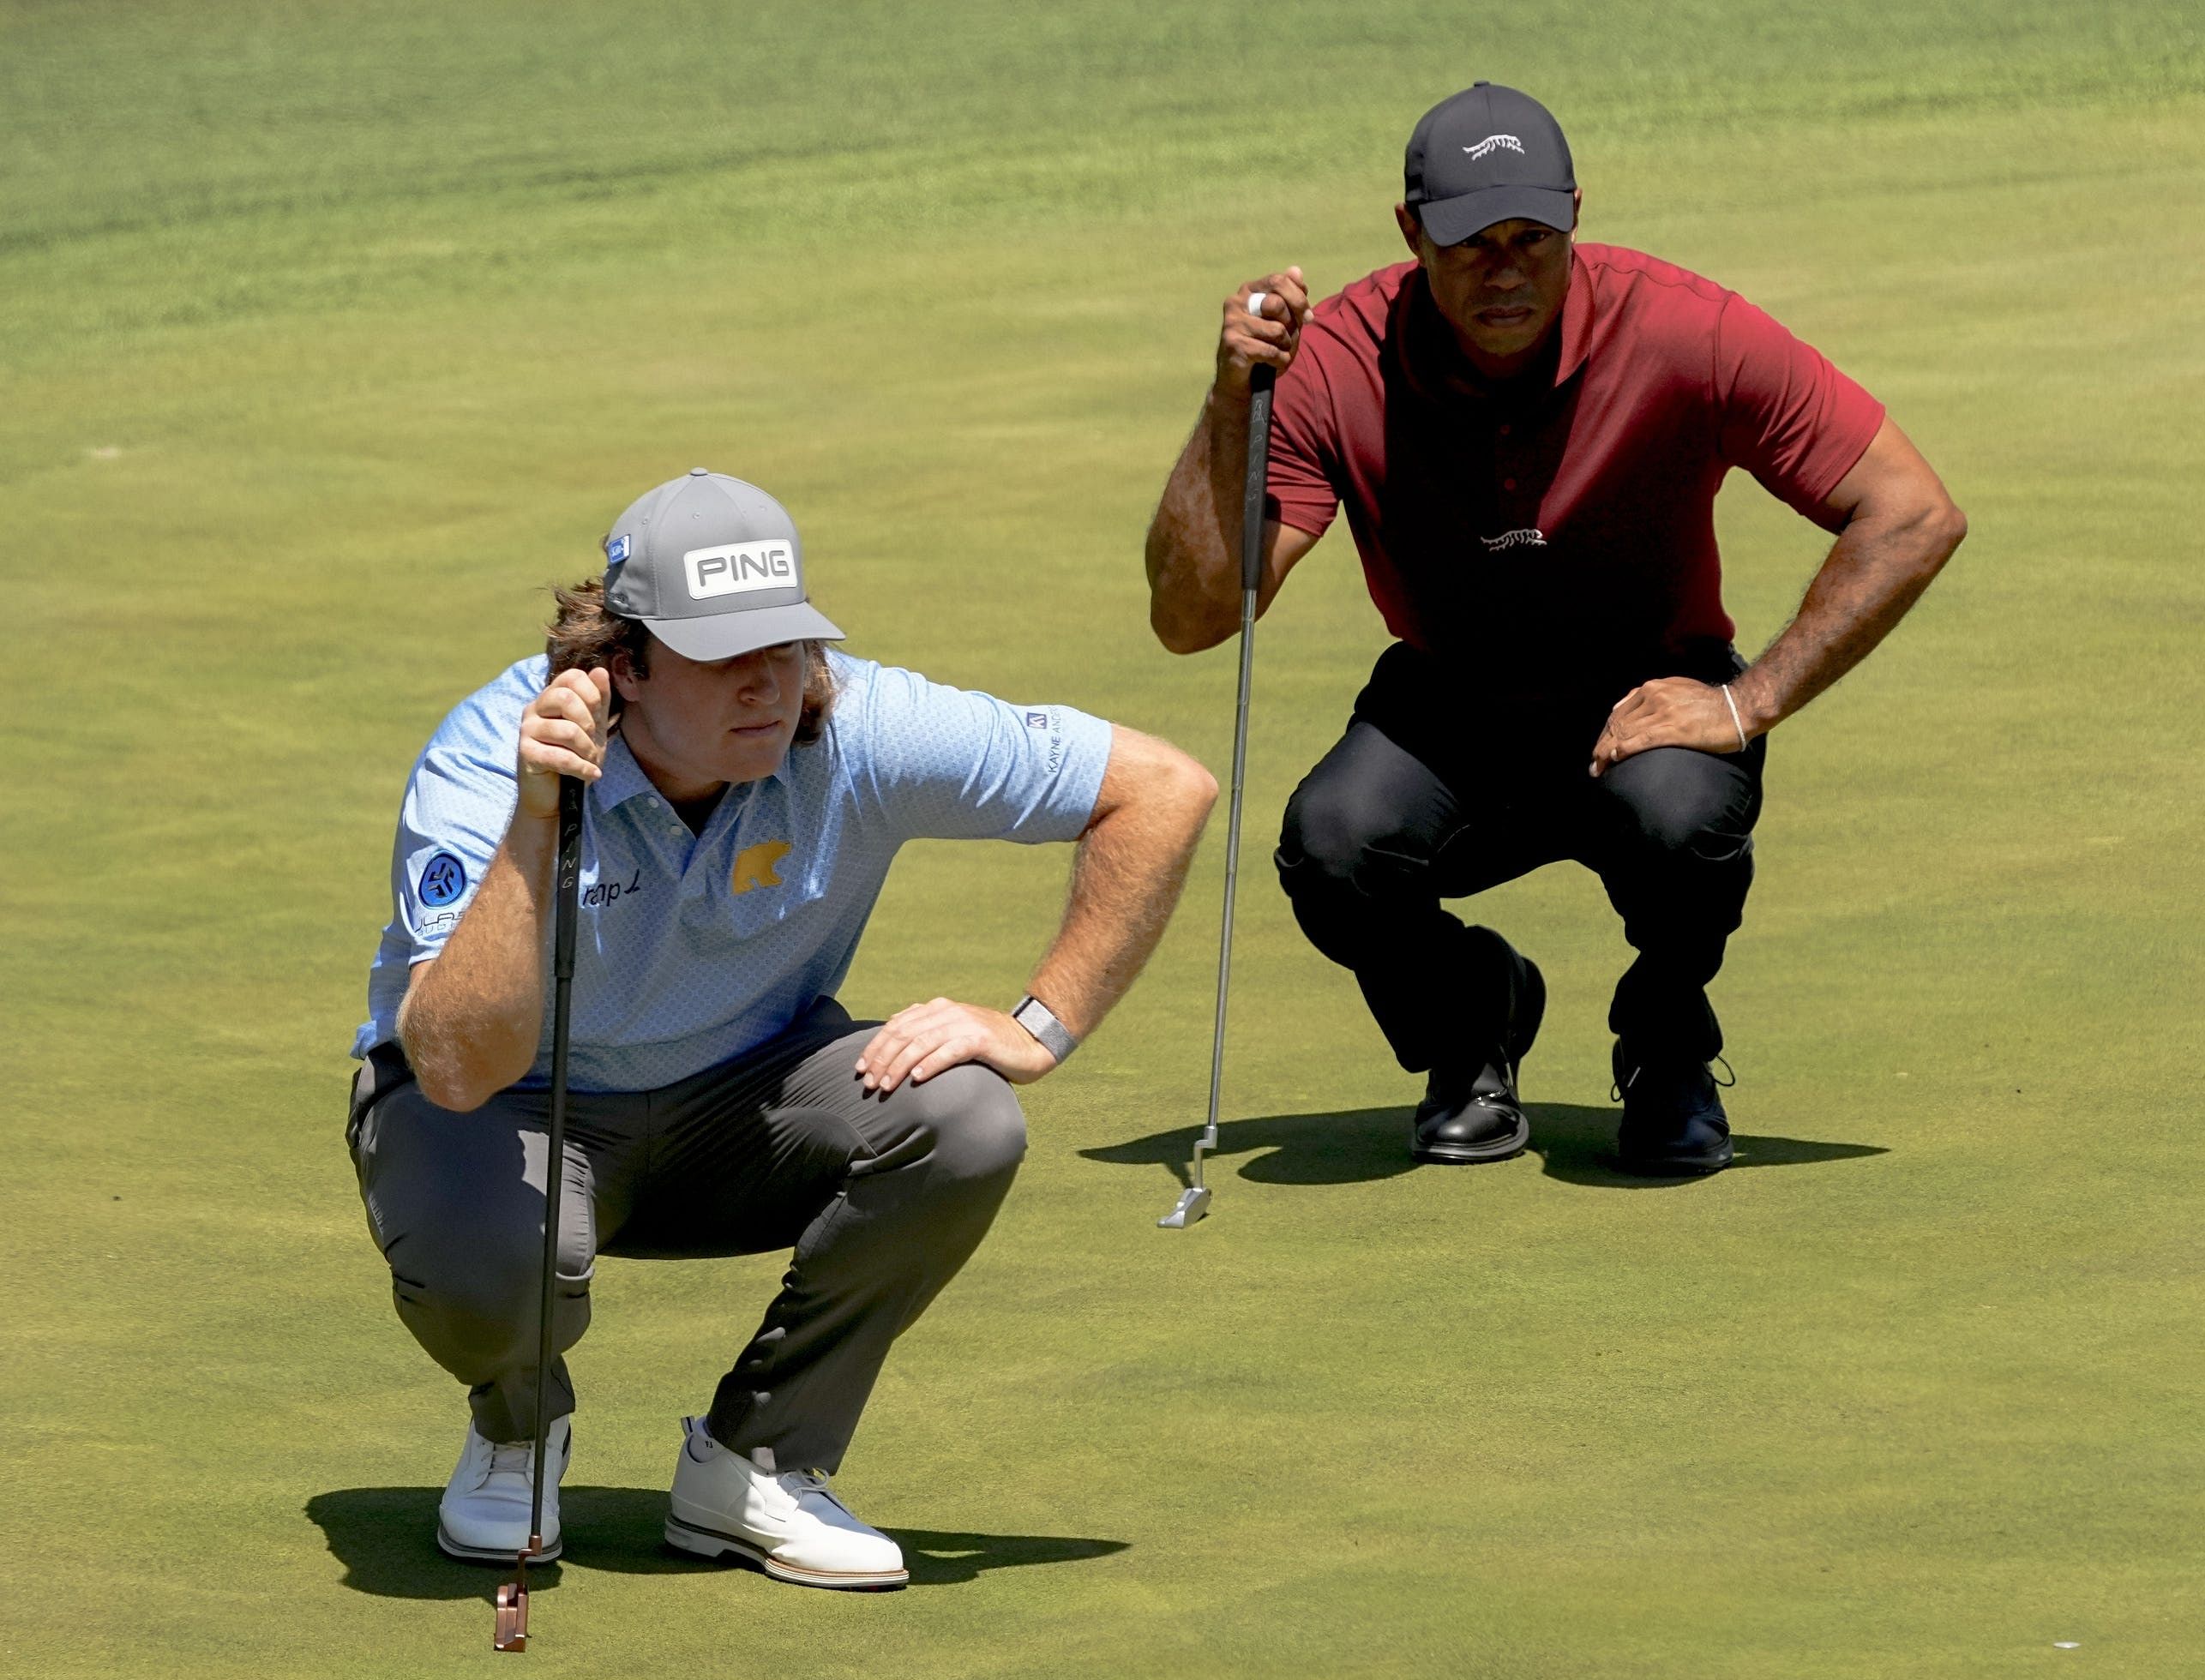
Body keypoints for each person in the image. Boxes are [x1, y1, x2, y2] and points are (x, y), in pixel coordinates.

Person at [350, 469, 1215, 1588]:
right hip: (512, 1112)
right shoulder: (490, 753)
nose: (769, 685)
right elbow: (459, 1068)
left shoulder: (855, 723)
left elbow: (1160, 788)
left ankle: (756, 1463)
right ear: (624, 665)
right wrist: (537, 816)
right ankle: (517, 1430)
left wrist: (1038, 1024)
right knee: (490, 1260)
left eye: (788, 646)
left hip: (741, 1108)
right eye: (724, 657)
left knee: (962, 1115)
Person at [1143, 81, 1966, 1174]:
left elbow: (1912, 512)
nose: (1505, 269)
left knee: (1680, 821)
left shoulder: (1682, 328)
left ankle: (1667, 1046)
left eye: (1532, 238)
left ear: (1575, 217)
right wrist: (1229, 398)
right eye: (1470, 242)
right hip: (1451, 701)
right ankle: (1471, 1014)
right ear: (1409, 235)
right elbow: (1194, 615)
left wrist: (1747, 699)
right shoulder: (1335, 359)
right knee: (1332, 846)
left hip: (1648, 686)